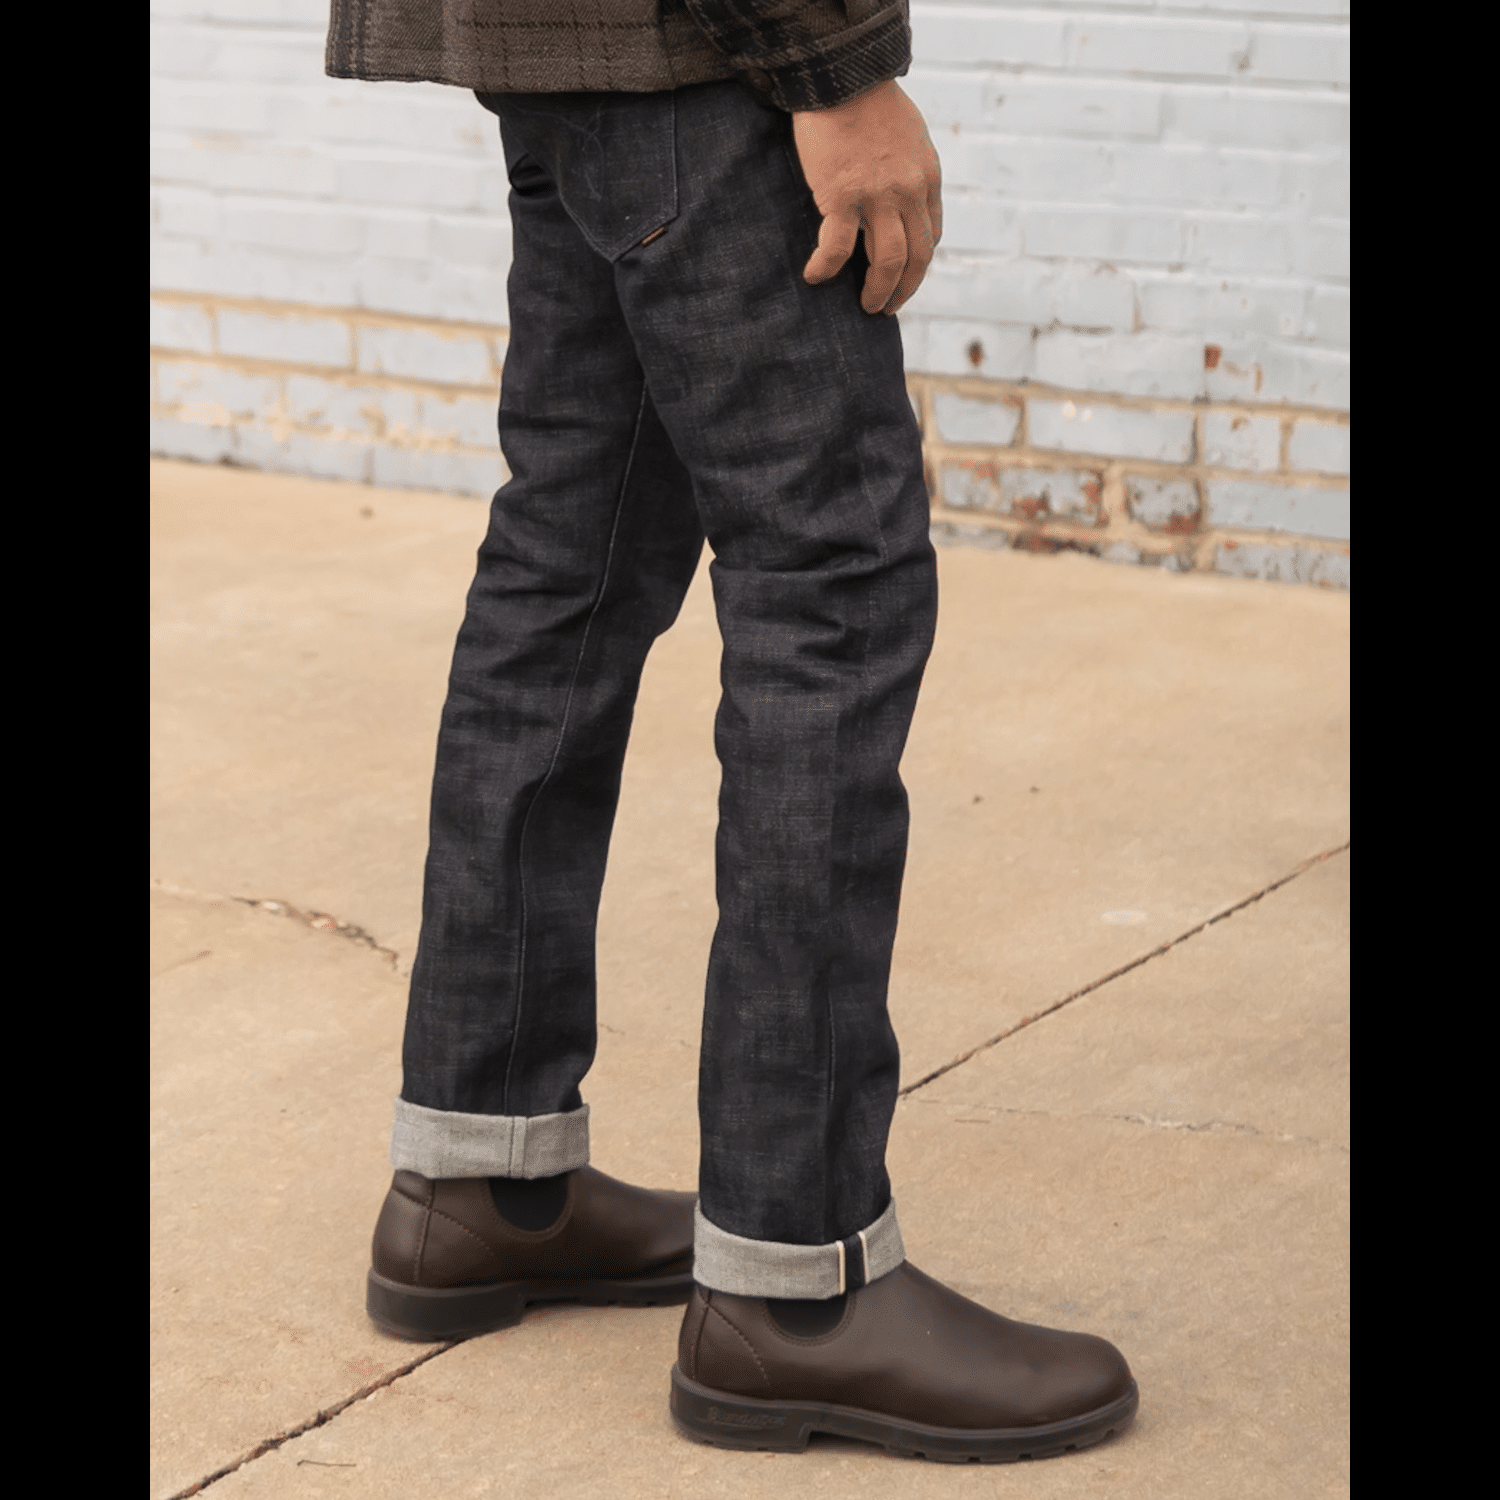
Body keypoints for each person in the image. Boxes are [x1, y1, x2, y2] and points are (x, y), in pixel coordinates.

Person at [327, 0, 1137, 1462]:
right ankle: (795, 1279)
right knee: (831, 583)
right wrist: (838, 68)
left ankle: (482, 1175)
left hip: (555, 40)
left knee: (567, 564)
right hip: (700, 57)